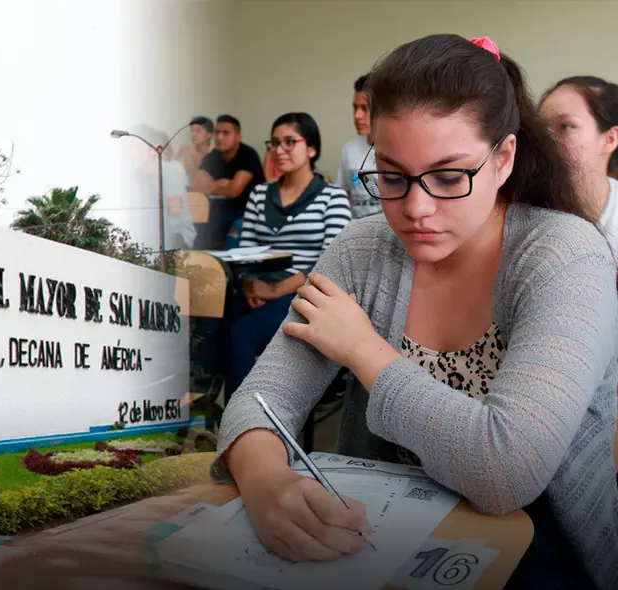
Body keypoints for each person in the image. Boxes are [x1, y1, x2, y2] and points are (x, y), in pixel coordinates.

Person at [211, 34, 618, 590]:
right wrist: (267, 485)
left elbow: (506, 472)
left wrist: (364, 350)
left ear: (503, 159)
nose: (416, 209)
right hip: (384, 530)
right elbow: (262, 401)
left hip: (544, 542)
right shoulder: (362, 251)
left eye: (449, 177)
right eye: (393, 176)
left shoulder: (564, 254)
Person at [224, 112, 351, 404]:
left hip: (305, 292)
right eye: (274, 143)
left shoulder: (332, 197)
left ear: (312, 148)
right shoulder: (259, 194)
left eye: (290, 142)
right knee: (219, 325)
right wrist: (250, 285)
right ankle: (235, 411)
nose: (279, 150)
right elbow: (246, 249)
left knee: (241, 335)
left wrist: (276, 290)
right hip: (259, 288)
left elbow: (330, 263)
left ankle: (241, 419)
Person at [539, 76, 618, 260]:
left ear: (610, 139)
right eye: (542, 127)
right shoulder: (521, 212)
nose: (546, 139)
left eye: (566, 126)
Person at [191, 114, 266, 249]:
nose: (219, 137)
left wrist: (213, 187)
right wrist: (220, 183)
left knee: (232, 228)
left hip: (248, 211)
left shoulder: (248, 155)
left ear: (238, 136)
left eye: (226, 133)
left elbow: (233, 191)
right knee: (197, 224)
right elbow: (195, 187)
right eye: (217, 133)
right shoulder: (212, 156)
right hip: (219, 210)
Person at [336, 74, 383, 219]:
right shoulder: (349, 149)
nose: (357, 115)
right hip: (357, 227)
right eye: (355, 108)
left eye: (365, 108)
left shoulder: (400, 150)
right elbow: (344, 195)